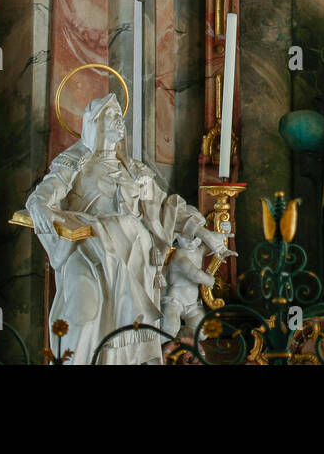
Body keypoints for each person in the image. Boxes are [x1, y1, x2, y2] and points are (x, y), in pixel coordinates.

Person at [25, 93, 232, 363]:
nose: (118, 122)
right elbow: (46, 193)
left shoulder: (135, 170)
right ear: (94, 124)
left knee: (125, 333)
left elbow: (166, 207)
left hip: (135, 259)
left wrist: (205, 233)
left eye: (119, 117)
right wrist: (39, 204)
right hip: (88, 252)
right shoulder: (75, 163)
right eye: (110, 116)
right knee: (81, 313)